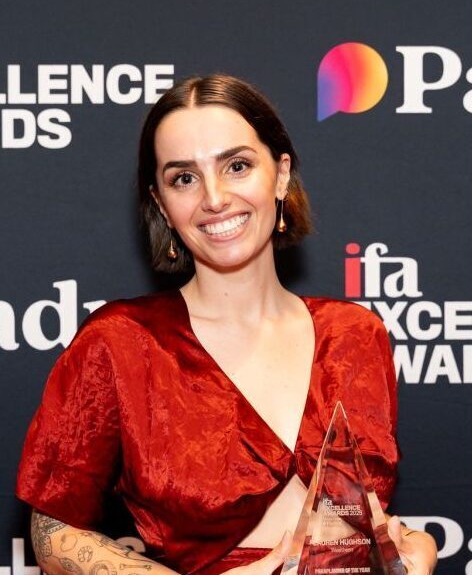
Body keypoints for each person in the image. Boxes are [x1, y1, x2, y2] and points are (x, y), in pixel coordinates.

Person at [16, 74, 437, 575]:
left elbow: (359, 524)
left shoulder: (356, 335)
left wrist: (414, 548)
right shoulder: (121, 343)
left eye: (237, 166)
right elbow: (51, 531)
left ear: (280, 175)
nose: (214, 198)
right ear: (161, 204)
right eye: (184, 178)